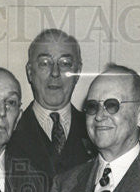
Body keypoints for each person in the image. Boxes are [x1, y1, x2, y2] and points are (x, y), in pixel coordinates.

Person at [8, 28, 94, 182]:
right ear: (30, 72)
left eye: (65, 63)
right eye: (45, 63)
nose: (55, 72)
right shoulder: (7, 131)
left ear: (78, 72)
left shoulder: (96, 129)